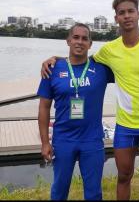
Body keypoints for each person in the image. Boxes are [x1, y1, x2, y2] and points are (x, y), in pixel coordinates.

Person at [41, 0, 139, 200]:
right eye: (122, 13)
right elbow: (78, 60)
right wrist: (57, 60)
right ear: (116, 18)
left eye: (131, 11)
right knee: (121, 177)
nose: (127, 16)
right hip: (120, 127)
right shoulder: (109, 51)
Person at [37, 23, 114, 200]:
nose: (80, 42)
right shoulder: (53, 68)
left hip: (92, 139)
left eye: (84, 38)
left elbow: (129, 71)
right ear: (68, 40)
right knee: (59, 190)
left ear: (90, 43)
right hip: (63, 139)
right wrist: (44, 143)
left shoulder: (101, 68)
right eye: (76, 37)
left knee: (94, 192)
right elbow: (44, 107)